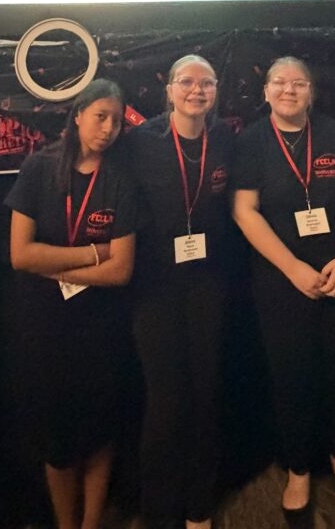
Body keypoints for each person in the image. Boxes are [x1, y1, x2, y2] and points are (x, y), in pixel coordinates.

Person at [233, 56, 335, 522]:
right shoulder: (251, 141)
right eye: (279, 82)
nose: (289, 90)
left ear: (311, 93)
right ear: (266, 92)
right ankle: (298, 469)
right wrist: (293, 268)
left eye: (299, 84)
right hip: (281, 283)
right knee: (291, 377)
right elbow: (244, 210)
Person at [5, 79, 137, 529]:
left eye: (116, 120)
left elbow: (122, 270)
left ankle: (92, 523)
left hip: (102, 324)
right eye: (100, 116)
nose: (108, 128)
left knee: (100, 431)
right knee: (57, 439)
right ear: (77, 115)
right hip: (45, 325)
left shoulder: (120, 178)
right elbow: (21, 255)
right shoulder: (39, 169)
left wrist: (54, 265)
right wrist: (94, 253)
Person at [127, 54, 237, 529]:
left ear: (216, 91)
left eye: (206, 83)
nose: (197, 90)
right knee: (164, 400)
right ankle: (158, 509)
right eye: (187, 82)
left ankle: (199, 505)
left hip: (209, 283)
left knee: (205, 392)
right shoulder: (140, 142)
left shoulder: (225, 138)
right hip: (154, 287)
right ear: (169, 89)